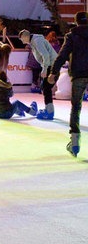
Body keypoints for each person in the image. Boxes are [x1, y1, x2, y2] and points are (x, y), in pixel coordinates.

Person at [48, 11, 88, 157]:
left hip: (78, 75)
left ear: (76, 22)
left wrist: (53, 72)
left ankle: (75, 140)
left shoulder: (72, 36)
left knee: (76, 107)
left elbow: (62, 55)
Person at [18, 29, 58, 120]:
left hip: (51, 65)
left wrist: (44, 68)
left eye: (21, 38)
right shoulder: (34, 41)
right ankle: (49, 109)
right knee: (45, 87)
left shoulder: (37, 41)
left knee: (46, 87)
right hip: (51, 64)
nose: (21, 41)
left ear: (25, 36)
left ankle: (49, 111)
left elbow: (46, 55)